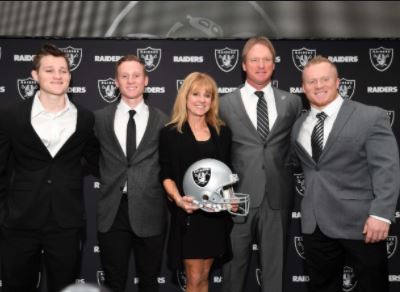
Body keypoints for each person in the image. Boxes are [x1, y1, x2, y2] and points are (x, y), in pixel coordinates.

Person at [291, 55, 400, 292]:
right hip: (315, 225)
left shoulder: (370, 116)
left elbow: (386, 168)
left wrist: (381, 214)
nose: (318, 86)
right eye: (311, 81)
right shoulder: (299, 125)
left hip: (361, 223)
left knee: (373, 287)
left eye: (324, 79)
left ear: (338, 82)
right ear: (303, 87)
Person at [0, 43, 99, 292]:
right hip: (20, 219)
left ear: (70, 75)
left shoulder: (85, 118)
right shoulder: (11, 116)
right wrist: (4, 214)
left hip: (66, 222)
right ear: (35, 75)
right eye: (50, 70)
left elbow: (98, 159)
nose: (58, 76)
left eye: (63, 70)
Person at [219, 36, 303, 292]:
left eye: (266, 59)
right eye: (254, 59)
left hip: (277, 198)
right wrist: (226, 194)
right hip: (237, 199)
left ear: (274, 65)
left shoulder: (292, 102)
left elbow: (294, 147)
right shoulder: (223, 103)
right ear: (243, 64)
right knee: (233, 271)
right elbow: (218, 153)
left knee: (274, 274)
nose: (261, 64)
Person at [94, 54, 168, 292]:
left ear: (146, 80)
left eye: (136, 75)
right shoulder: (99, 119)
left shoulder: (164, 121)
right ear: (116, 82)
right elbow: (93, 157)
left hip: (150, 209)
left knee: (149, 281)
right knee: (113, 282)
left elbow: (168, 164)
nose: (131, 80)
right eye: (124, 76)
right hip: (112, 211)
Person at [159, 72, 233, 292]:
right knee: (193, 277)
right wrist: (178, 200)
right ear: (185, 97)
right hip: (188, 214)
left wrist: (229, 200)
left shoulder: (222, 132)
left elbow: (227, 172)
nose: (202, 100)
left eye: (207, 95)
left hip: (214, 216)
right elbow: (166, 174)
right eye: (196, 94)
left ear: (212, 100)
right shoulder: (170, 133)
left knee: (204, 276)